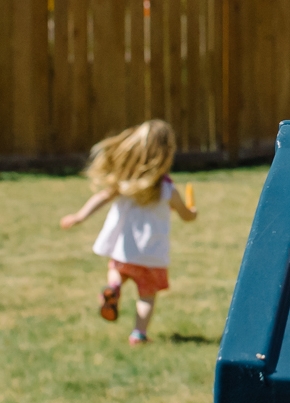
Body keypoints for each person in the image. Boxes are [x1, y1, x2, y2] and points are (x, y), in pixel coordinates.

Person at [59, 119, 196, 345]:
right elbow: (186, 215)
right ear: (166, 155)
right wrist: (193, 212)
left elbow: (101, 197)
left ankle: (113, 287)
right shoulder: (168, 190)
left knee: (117, 271)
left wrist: (79, 216)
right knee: (147, 295)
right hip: (151, 255)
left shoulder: (124, 184)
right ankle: (138, 334)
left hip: (124, 251)